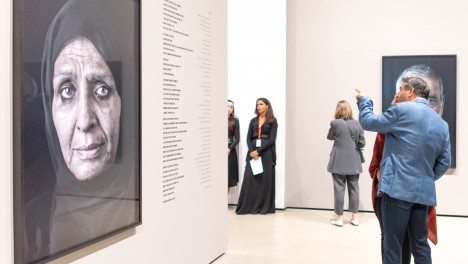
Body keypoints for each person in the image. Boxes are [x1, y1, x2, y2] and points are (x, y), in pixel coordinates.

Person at [40, 0, 140, 258]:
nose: (85, 120)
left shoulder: (144, 201)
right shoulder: (37, 214)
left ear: (125, 100)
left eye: (102, 90)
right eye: (67, 91)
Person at [357, 76, 451, 264]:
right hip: (422, 194)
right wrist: (426, 177)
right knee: (420, 246)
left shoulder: (401, 111)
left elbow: (368, 122)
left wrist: (364, 101)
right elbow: (444, 162)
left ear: (410, 91)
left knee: (393, 246)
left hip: (397, 192)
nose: (398, 94)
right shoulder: (442, 124)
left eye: (400, 89)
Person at [369, 95, 438, 263]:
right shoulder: (384, 132)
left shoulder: (419, 131)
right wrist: (383, 175)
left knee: (405, 241)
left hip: (406, 193)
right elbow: (374, 165)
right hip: (389, 193)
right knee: (394, 239)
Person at [236, 98, 278, 215]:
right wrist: (252, 151)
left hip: (266, 153)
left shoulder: (273, 121)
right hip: (252, 152)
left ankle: (264, 207)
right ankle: (247, 207)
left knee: (265, 180)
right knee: (250, 178)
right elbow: (248, 138)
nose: (258, 106)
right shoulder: (253, 120)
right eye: (257, 104)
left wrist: (258, 151)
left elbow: (272, 139)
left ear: (267, 106)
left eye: (261, 104)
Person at [327, 100, 365, 227]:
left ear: (338, 110)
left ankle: (339, 218)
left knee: (339, 189)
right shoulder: (357, 124)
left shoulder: (335, 123)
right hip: (353, 161)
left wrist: (333, 121)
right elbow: (362, 143)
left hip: (338, 161)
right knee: (354, 189)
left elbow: (330, 137)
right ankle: (354, 218)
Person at [228, 100, 240, 191]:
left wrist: (229, 149)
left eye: (231, 107)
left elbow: (237, 138)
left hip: (229, 151)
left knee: (227, 178)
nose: (229, 109)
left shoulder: (235, 121)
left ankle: (224, 203)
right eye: (227, 106)